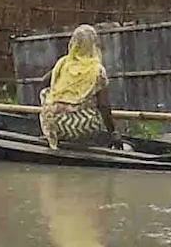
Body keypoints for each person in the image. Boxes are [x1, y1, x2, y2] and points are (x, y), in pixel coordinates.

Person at [38, 24, 119, 152]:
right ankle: (82, 139)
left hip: (51, 122)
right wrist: (113, 133)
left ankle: (53, 133)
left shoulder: (63, 63)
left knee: (46, 93)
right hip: (80, 127)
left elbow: (44, 82)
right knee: (97, 105)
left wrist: (61, 100)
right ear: (93, 45)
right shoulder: (96, 70)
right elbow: (104, 106)